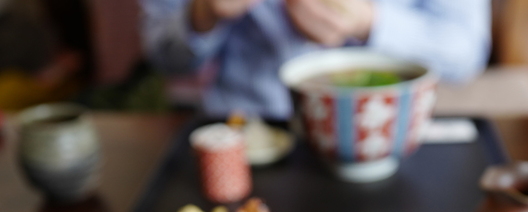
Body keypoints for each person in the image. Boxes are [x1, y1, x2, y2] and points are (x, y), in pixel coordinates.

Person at [140, 0, 491, 119]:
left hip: (384, 128)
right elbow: (161, 57)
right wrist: (204, 13)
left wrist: (369, 21)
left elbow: (466, 52)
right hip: (249, 125)